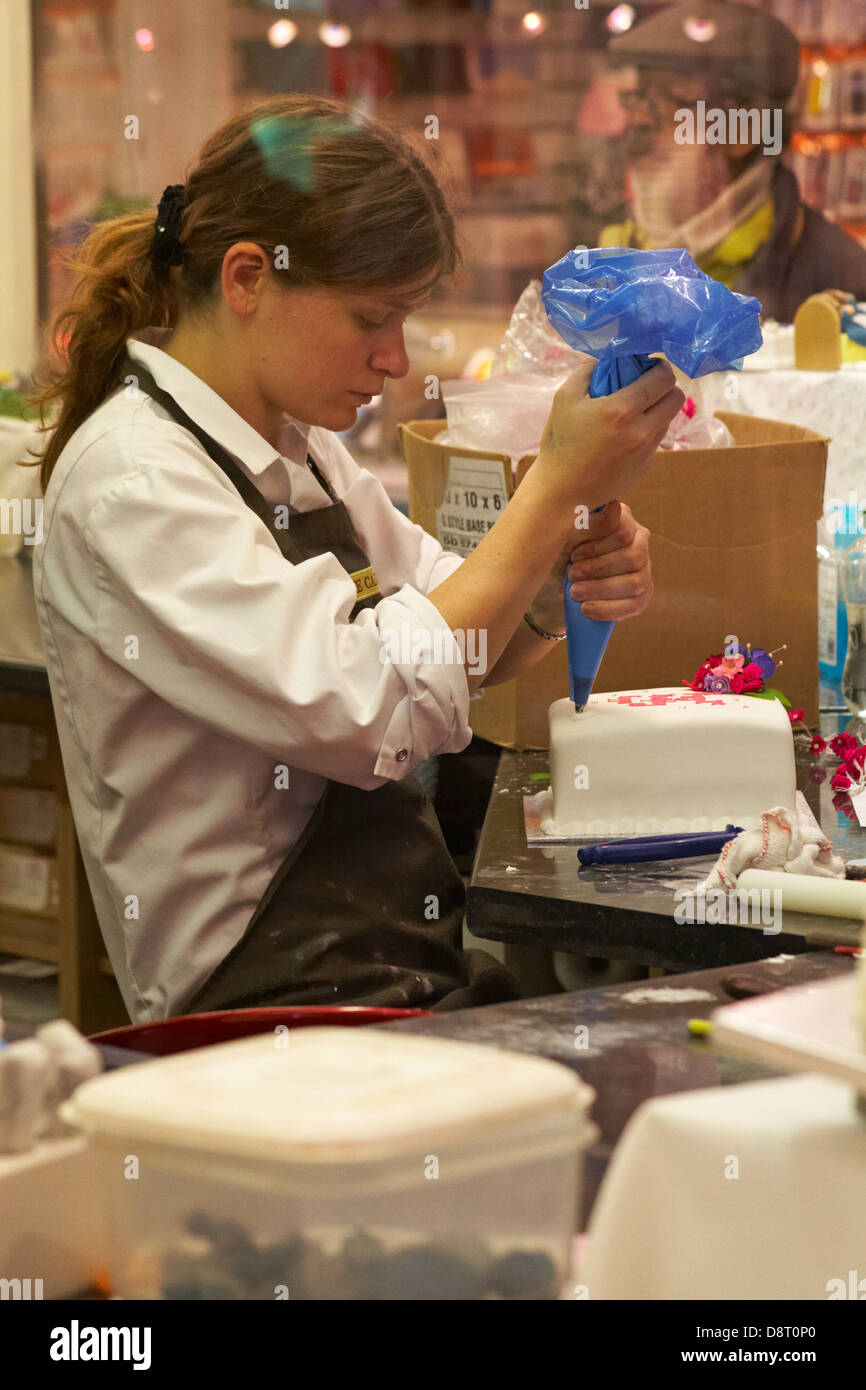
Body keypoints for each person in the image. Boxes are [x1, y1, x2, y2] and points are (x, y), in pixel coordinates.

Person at [28, 95, 683, 1023]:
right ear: (249, 276)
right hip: (259, 1024)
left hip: (386, 979)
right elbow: (371, 706)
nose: (395, 357)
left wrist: (547, 588)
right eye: (373, 317)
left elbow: (449, 626)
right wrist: (544, 497)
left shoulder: (297, 452)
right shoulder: (134, 482)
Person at [600, 0, 866, 322]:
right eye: (638, 97)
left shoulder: (839, 274)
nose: (640, 118)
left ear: (743, 130)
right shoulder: (617, 252)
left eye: (667, 99)